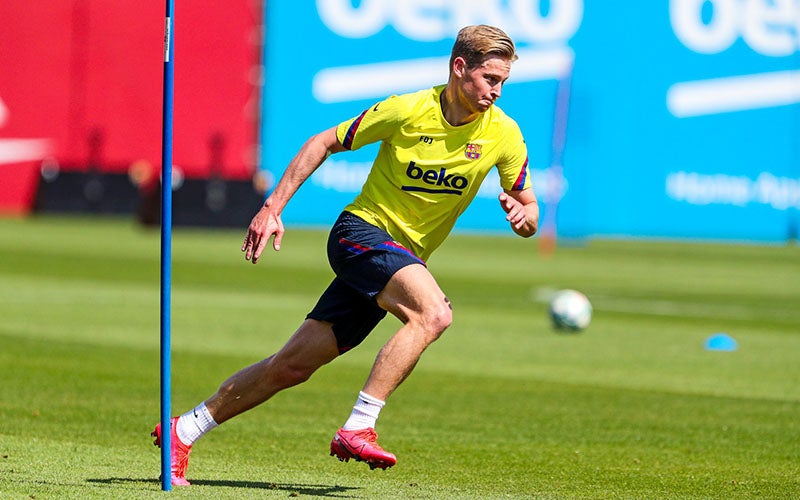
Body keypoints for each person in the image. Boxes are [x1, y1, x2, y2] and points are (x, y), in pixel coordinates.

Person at [152, 24, 539, 486]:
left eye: (503, 82)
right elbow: (322, 142)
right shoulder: (406, 110)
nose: (496, 91)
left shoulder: (505, 135)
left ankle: (184, 429)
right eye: (490, 79)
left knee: (291, 366)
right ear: (460, 68)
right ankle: (359, 425)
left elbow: (529, 208)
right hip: (360, 233)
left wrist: (523, 217)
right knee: (433, 314)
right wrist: (272, 208)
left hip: (397, 260)